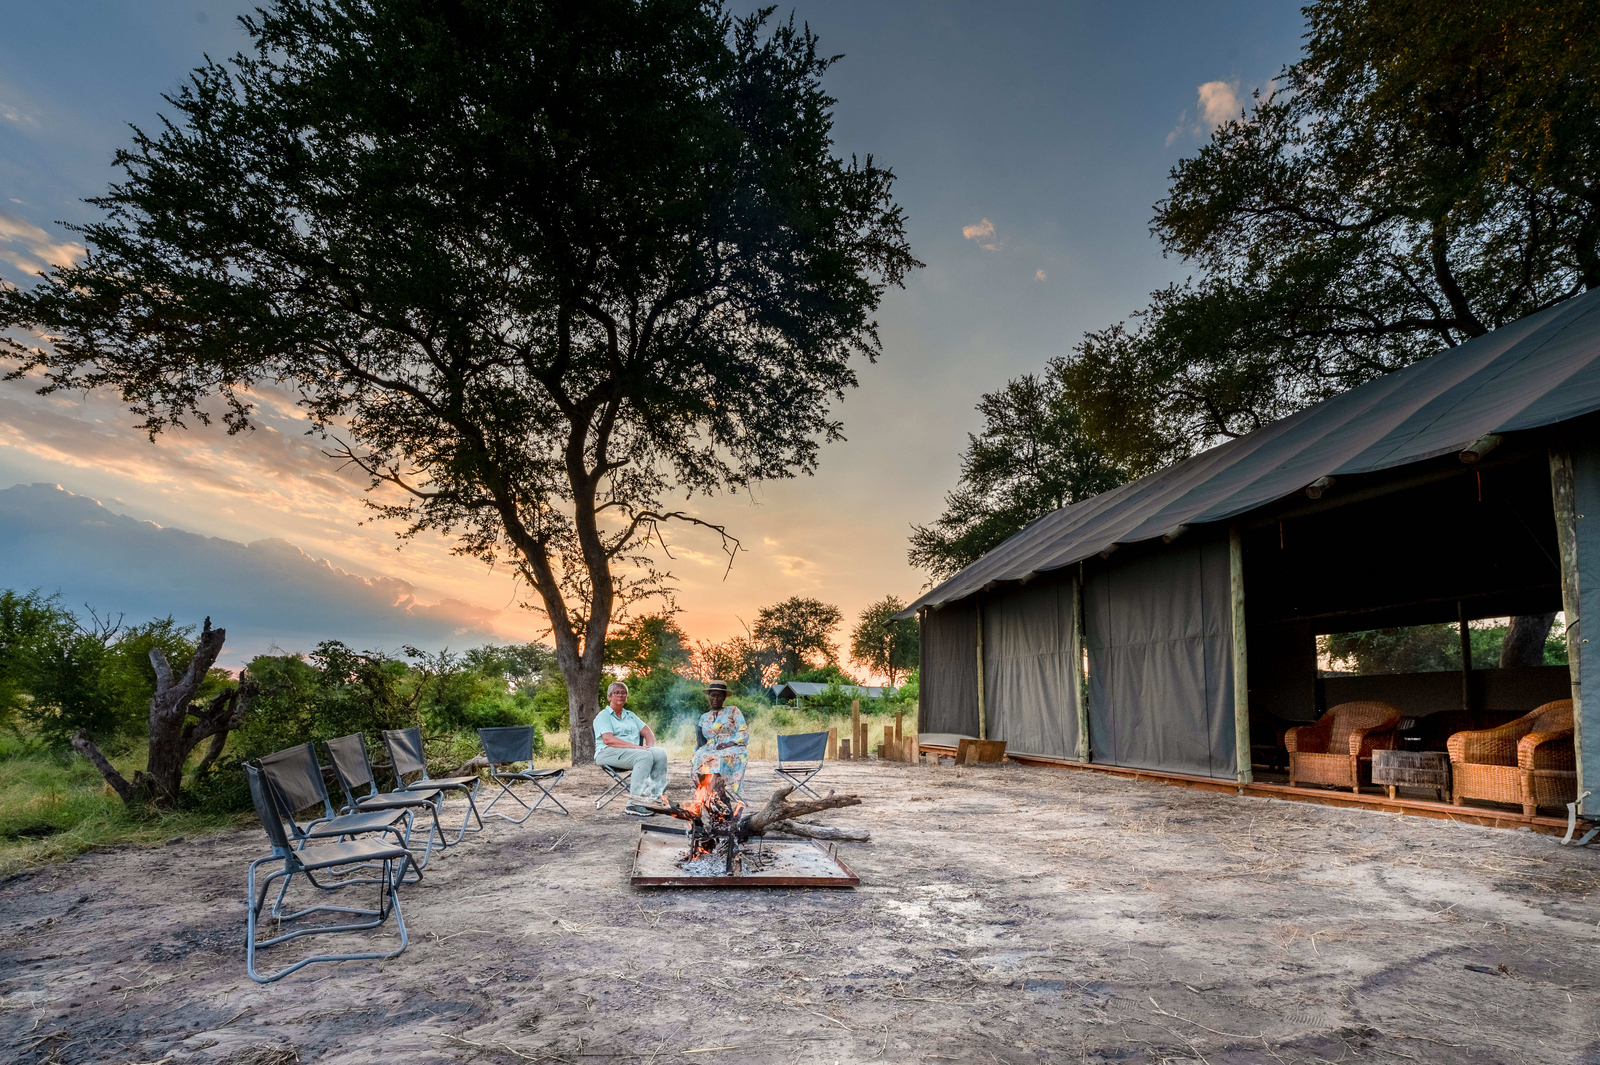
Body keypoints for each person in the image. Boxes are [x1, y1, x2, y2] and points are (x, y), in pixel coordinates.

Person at [593, 681, 667, 816]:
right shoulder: (603, 716)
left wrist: (649, 747)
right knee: (644, 755)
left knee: (659, 753)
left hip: (631, 753)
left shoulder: (630, 715)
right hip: (607, 752)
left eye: (623, 693)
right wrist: (638, 748)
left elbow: (648, 732)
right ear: (609, 696)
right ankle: (634, 803)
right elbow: (608, 740)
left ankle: (655, 797)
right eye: (616, 693)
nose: (620, 695)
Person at [693, 680, 750, 796]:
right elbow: (700, 741)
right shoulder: (704, 717)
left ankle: (715, 795)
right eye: (713, 695)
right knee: (699, 756)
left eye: (719, 696)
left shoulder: (733, 711)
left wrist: (729, 743)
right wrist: (696, 752)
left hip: (732, 747)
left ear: (724, 697)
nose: (715, 698)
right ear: (709, 696)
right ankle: (707, 794)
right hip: (710, 748)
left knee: (718, 757)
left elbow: (744, 733)